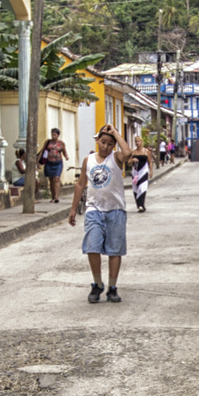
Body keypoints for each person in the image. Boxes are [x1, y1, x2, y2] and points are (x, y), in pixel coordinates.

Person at [69, 123, 133, 303]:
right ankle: (97, 284)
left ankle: (112, 287)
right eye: (103, 142)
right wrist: (73, 209)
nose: (105, 147)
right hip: (93, 210)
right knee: (92, 246)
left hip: (115, 210)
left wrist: (116, 133)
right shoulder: (88, 160)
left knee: (115, 250)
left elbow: (128, 154)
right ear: (97, 141)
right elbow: (81, 184)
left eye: (109, 144)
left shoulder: (116, 158)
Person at [39, 128, 69, 203]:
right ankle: (53, 196)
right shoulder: (48, 142)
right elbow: (42, 151)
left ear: (58, 135)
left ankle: (56, 196)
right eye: (52, 134)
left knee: (57, 178)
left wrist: (66, 156)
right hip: (49, 163)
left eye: (55, 135)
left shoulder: (61, 143)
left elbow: (64, 151)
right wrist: (38, 162)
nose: (53, 136)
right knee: (51, 180)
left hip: (58, 163)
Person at [131, 140, 152, 213]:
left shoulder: (146, 151)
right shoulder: (133, 152)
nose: (137, 143)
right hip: (135, 172)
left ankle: (141, 205)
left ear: (142, 142)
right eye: (136, 141)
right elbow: (128, 162)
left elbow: (150, 161)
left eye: (138, 141)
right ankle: (138, 204)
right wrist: (132, 160)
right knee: (135, 188)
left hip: (144, 171)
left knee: (142, 187)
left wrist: (151, 171)